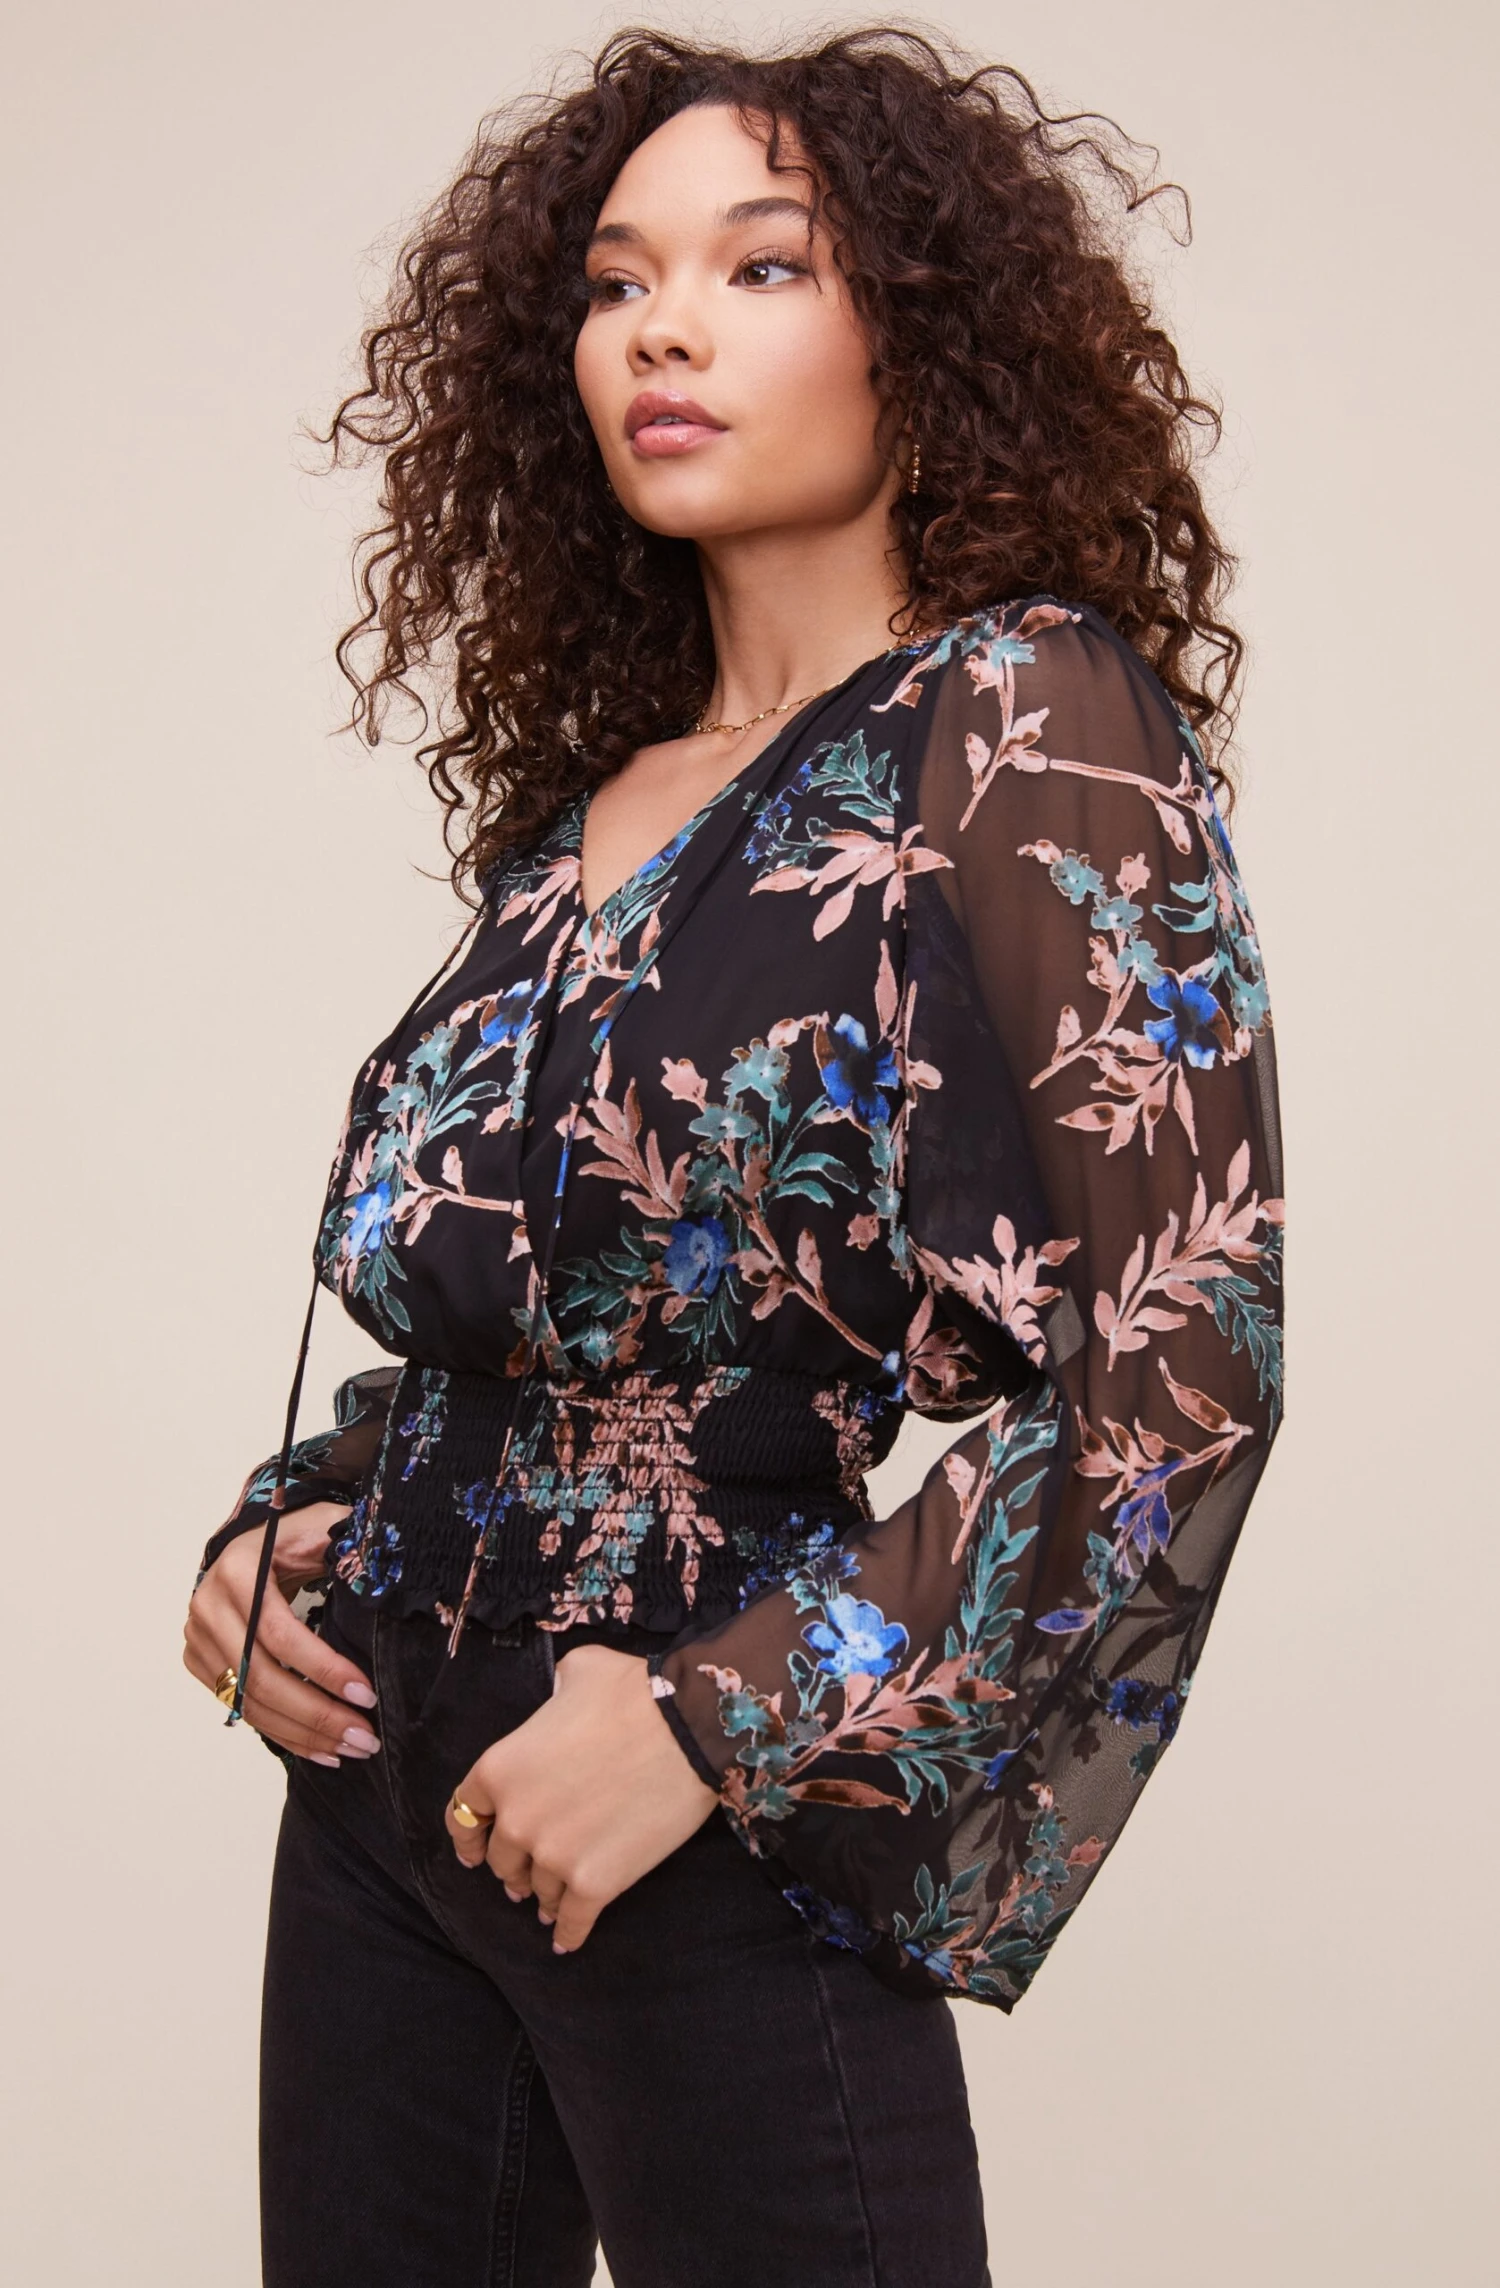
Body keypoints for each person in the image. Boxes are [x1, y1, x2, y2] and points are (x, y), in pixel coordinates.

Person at [182, 26, 1284, 2288]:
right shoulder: (594, 801)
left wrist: (712, 1722)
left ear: (923, 333)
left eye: (760, 266)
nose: (661, 329)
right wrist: (288, 1528)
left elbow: (1187, 1353)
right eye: (616, 282)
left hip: (683, 1765)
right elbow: (544, 1297)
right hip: (379, 1773)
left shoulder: (1023, 716)